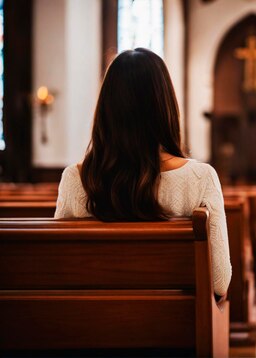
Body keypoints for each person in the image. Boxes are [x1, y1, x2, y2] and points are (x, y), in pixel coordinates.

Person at [54, 48, 231, 297]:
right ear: (165, 107)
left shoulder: (75, 179)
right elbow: (219, 282)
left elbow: (60, 270)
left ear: (106, 108)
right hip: (174, 328)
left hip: (91, 327)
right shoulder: (201, 178)